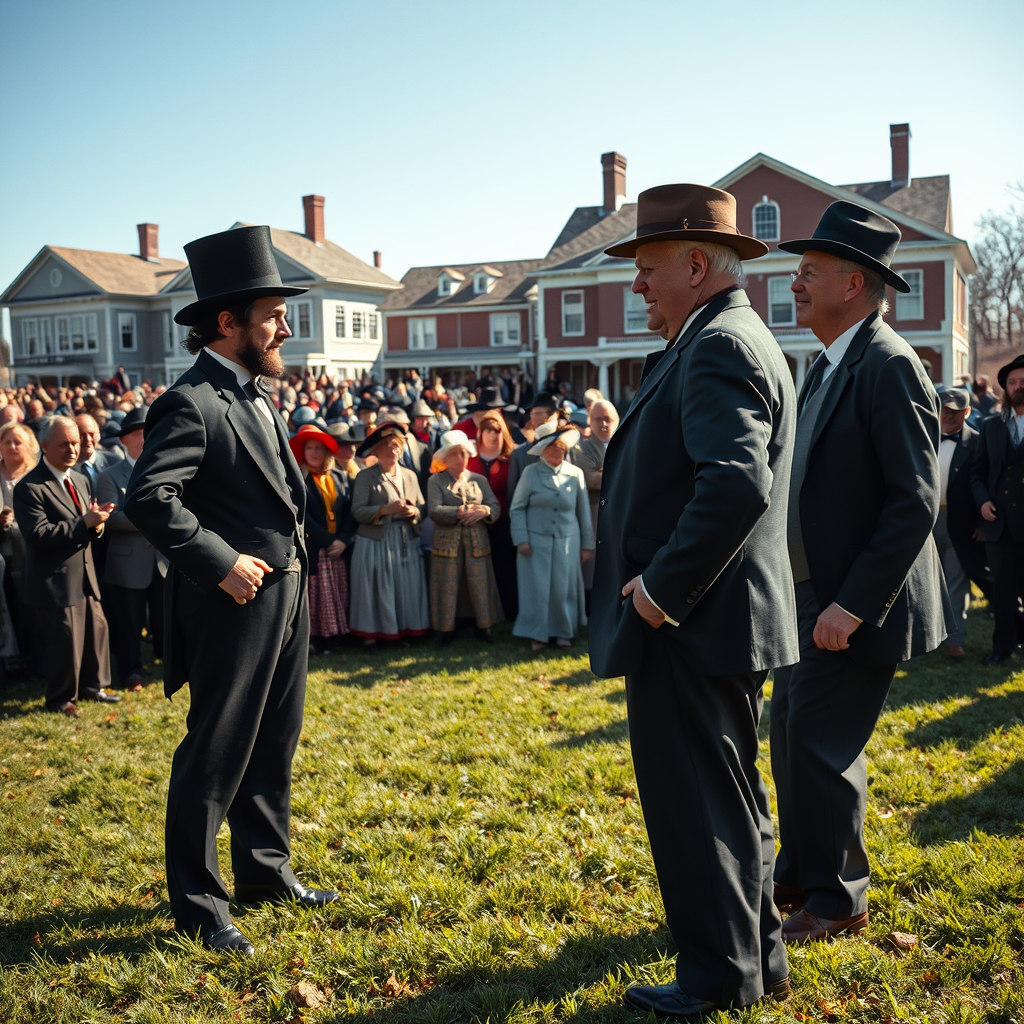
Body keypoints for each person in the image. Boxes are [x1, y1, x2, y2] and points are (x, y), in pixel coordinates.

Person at [590, 184, 796, 1017]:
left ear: (697, 264)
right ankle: (758, 960)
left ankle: (719, 978)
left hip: (692, 621)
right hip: (712, 621)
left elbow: (734, 486)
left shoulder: (719, 346)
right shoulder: (712, 339)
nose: (637, 284)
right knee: (731, 798)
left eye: (646, 269)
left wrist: (657, 598)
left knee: (696, 807)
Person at [124, 225, 337, 955]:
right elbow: (150, 497)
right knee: (216, 752)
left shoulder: (257, 395)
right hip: (232, 601)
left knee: (275, 741)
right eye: (274, 314)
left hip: (287, 594)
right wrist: (220, 560)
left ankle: (265, 872)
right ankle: (198, 903)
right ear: (227, 322)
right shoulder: (191, 402)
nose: (285, 326)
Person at [771, 202, 947, 945]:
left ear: (854, 281)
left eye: (809, 272)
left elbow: (914, 501)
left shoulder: (888, 365)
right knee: (789, 737)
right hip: (812, 592)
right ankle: (803, 877)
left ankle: (840, 901)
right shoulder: (825, 365)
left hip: (854, 603)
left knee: (822, 747)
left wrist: (852, 603)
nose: (795, 284)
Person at [13, 415, 119, 716]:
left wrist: (97, 525)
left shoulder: (81, 479)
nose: (73, 450)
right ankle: (61, 700)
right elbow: (38, 535)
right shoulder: (30, 488)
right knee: (64, 642)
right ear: (44, 446)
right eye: (64, 444)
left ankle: (92, 687)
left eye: (75, 443)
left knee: (95, 631)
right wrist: (84, 523)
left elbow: (87, 524)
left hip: (84, 574)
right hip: (54, 581)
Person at [96, 407, 168, 691]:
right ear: (123, 440)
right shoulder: (109, 476)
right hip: (127, 564)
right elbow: (112, 517)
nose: (144, 439)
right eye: (138, 434)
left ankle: (167, 662)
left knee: (165, 618)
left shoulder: (162, 466)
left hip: (162, 560)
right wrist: (156, 520)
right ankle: (130, 672)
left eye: (148, 433)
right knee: (128, 623)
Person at [510, 425, 592, 651]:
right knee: (536, 589)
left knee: (563, 588)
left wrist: (587, 545)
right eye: (553, 445)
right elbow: (517, 509)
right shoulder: (530, 473)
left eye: (561, 446)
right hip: (535, 541)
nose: (558, 449)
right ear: (542, 449)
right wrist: (521, 539)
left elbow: (583, 512)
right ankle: (538, 634)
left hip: (568, 540)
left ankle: (564, 632)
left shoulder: (575, 474)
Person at [348, 422, 429, 646]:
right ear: (376, 451)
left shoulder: (410, 475)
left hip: (404, 537)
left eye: (396, 445)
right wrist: (385, 510)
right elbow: (358, 511)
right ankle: (372, 635)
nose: (393, 450)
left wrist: (413, 511)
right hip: (376, 540)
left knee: (404, 587)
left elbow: (423, 507)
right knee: (378, 587)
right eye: (387, 446)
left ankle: (402, 631)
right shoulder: (366, 476)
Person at [426, 430, 503, 646]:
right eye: (455, 454)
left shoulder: (478, 480)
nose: (461, 459)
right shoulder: (436, 481)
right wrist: (458, 512)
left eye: (464, 454)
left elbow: (494, 505)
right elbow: (434, 510)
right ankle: (445, 629)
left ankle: (483, 626)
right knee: (447, 584)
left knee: (478, 583)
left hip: (476, 541)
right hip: (447, 542)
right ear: (445, 458)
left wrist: (484, 511)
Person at [972, 353, 1024, 665]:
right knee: (1003, 591)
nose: (1019, 386)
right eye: (1013, 382)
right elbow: (977, 472)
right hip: (999, 523)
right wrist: (982, 500)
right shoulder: (990, 425)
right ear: (1004, 387)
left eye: (1023, 382)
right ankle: (1002, 647)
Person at [289, 423, 354, 655]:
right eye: (309, 448)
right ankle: (317, 638)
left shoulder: (340, 477)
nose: (314, 453)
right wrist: (328, 541)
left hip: (339, 547)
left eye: (318, 448)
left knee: (338, 590)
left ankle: (339, 635)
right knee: (317, 595)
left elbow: (349, 512)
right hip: (316, 547)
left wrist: (344, 540)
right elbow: (302, 516)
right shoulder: (298, 480)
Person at [933, 386, 981, 660]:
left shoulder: (976, 441)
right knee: (924, 582)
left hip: (959, 520)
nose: (948, 415)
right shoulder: (922, 435)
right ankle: (924, 637)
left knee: (956, 581)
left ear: (967, 412)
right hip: (924, 519)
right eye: (944, 409)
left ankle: (955, 639)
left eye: (955, 410)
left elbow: (982, 482)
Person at [467, 411, 518, 619]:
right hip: (474, 523)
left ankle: (507, 611)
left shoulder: (511, 458)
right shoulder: (470, 456)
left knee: (504, 568)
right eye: (488, 430)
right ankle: (478, 612)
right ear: (481, 433)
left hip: (504, 522)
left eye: (497, 430)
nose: (493, 435)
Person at [0, 422, 40, 663]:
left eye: (18, 442)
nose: (13, 446)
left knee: (28, 607)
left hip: (29, 553)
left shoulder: (37, 475)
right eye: (7, 442)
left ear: (29, 446)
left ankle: (30, 655)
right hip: (2, 553)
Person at [574, 400, 618, 599]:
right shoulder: (581, 448)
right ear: (589, 422)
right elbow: (589, 479)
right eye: (598, 419)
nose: (603, 424)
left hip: (619, 511)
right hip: (592, 512)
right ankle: (590, 598)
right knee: (592, 562)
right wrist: (618, 473)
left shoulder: (624, 443)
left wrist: (603, 472)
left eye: (608, 419)